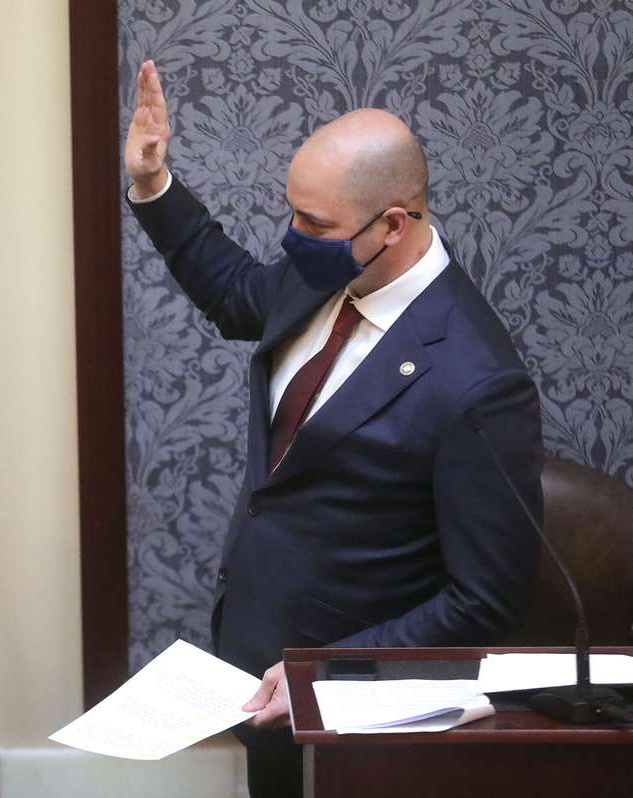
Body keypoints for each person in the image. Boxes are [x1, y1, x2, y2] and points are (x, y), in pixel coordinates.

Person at [124, 61, 544, 797]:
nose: (292, 240)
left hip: (362, 720)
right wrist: (155, 185)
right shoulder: (333, 270)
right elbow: (235, 293)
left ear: (392, 225)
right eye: (292, 214)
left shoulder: (477, 380)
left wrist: (331, 667)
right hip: (263, 678)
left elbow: (487, 599)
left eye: (313, 224)